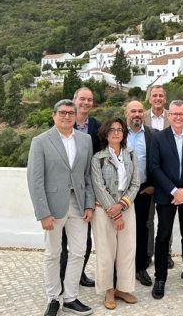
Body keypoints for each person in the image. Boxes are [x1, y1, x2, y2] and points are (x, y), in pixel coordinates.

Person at [27, 99, 95, 316]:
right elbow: (35, 180)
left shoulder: (85, 140)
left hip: (79, 205)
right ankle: (53, 298)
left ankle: (70, 298)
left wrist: (89, 204)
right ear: (54, 115)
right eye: (62, 113)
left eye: (70, 113)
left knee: (79, 252)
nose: (66, 116)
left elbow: (87, 175)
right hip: (53, 207)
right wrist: (43, 213)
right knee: (53, 253)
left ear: (75, 116)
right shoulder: (40, 141)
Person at [149, 100, 183, 299]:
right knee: (163, 236)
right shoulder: (158, 137)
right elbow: (154, 167)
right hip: (167, 195)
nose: (178, 117)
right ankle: (160, 278)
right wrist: (174, 191)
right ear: (169, 115)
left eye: (182, 114)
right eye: (174, 114)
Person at [90, 117, 140, 310]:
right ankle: (108, 291)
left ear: (124, 133)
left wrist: (122, 205)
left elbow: (135, 183)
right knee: (106, 252)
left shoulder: (131, 154)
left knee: (127, 250)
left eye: (119, 129)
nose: (116, 132)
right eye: (112, 130)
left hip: (126, 206)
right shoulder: (98, 158)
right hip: (104, 210)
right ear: (105, 133)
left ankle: (123, 288)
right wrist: (115, 213)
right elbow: (98, 187)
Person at [60, 87, 100, 289]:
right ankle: (62, 278)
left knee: (84, 238)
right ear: (74, 100)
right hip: (63, 192)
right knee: (62, 241)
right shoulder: (63, 123)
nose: (85, 103)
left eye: (89, 99)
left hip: (85, 191)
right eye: (82, 99)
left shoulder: (96, 126)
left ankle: (79, 274)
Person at [124, 100, 154, 287]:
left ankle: (140, 267)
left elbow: (157, 162)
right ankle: (122, 269)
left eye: (140, 111)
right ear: (126, 113)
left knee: (142, 229)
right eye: (133, 111)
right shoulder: (117, 132)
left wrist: (153, 186)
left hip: (143, 190)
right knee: (121, 231)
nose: (137, 114)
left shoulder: (152, 135)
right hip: (121, 193)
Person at [143, 84, 173, 268]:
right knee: (148, 219)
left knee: (166, 219)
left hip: (168, 176)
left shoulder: (173, 116)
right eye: (154, 95)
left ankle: (166, 253)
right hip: (147, 176)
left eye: (161, 95)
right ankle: (147, 254)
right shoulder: (142, 117)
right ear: (149, 98)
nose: (158, 98)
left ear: (165, 98)